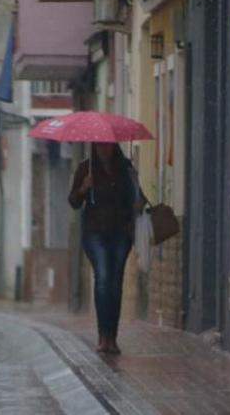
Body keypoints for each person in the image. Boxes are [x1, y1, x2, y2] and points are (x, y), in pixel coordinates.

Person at [68, 142, 144, 355]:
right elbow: (73, 201)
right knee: (103, 278)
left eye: (108, 145)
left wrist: (135, 186)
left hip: (121, 233)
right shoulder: (86, 168)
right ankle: (102, 336)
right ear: (94, 147)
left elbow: (139, 202)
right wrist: (84, 187)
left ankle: (113, 337)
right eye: (100, 146)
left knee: (115, 282)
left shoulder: (126, 168)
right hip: (95, 233)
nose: (104, 149)